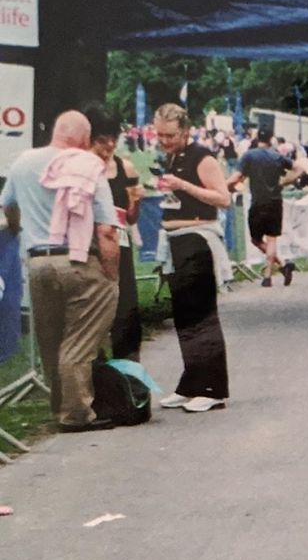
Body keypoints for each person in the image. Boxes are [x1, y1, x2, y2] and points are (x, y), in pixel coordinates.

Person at [0, 110, 120, 431]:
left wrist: (18, 227)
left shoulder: (23, 162)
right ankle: (76, 413)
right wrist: (111, 276)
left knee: (50, 338)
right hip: (78, 259)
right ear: (84, 138)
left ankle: (59, 407)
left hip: (38, 262)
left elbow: (8, 205)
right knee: (79, 340)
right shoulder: (88, 165)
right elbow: (107, 231)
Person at [153, 104, 231, 414]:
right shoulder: (172, 157)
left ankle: (213, 388)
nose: (164, 141)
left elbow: (223, 198)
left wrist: (184, 185)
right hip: (174, 238)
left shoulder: (203, 157)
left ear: (185, 131)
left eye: (170, 136)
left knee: (201, 315)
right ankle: (191, 383)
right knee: (184, 317)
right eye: (159, 135)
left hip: (197, 237)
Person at [86, 106, 144, 360]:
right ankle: (96, 371)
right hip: (90, 249)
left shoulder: (125, 167)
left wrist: (137, 201)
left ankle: (130, 373)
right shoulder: (82, 168)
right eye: (102, 140)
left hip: (120, 246)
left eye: (114, 139)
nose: (109, 146)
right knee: (92, 314)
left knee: (126, 310)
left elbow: (131, 217)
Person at [225, 127, 297, 287]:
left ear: (257, 138)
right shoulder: (277, 156)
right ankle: (271, 273)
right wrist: (286, 181)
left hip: (258, 201)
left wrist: (224, 185)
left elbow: (237, 177)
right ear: (271, 139)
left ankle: (279, 267)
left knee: (256, 239)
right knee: (272, 239)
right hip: (275, 201)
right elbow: (299, 168)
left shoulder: (249, 156)